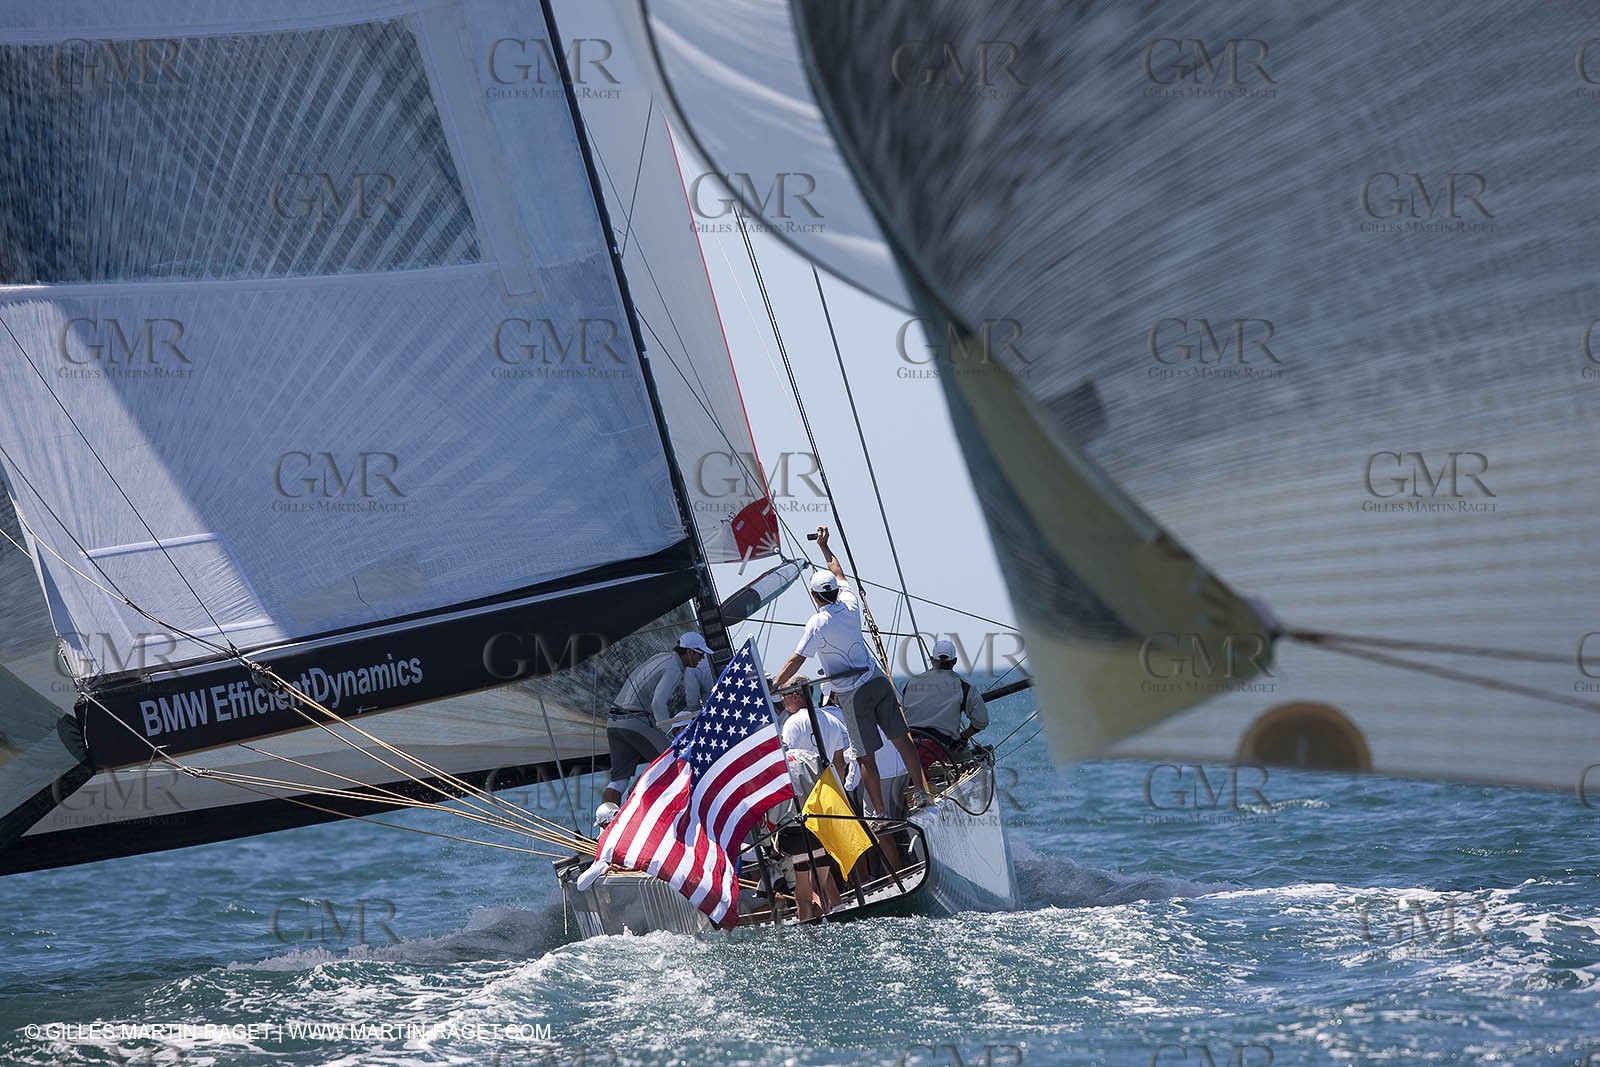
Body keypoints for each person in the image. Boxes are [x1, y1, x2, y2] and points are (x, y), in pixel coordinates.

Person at [771, 526, 933, 817]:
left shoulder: (818, 622)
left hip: (852, 694)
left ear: (814, 596)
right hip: (876, 680)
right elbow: (839, 571)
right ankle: (923, 793)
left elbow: (796, 660)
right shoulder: (849, 602)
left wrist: (774, 685)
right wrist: (824, 546)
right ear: (832, 590)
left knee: (864, 757)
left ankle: (880, 813)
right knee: (901, 740)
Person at [599, 632, 712, 819]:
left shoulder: (661, 657)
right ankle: (642, 806)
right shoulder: (675, 669)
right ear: (691, 652)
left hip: (614, 722)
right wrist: (670, 735)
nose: (702, 659)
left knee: (618, 782)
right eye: (700, 655)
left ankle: (606, 827)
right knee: (674, 761)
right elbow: (657, 704)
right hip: (634, 720)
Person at [771, 674, 845, 920]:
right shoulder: (832, 719)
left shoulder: (792, 724)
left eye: (783, 696)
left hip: (801, 806)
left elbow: (790, 768)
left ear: (795, 695)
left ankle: (811, 921)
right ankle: (838, 910)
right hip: (830, 800)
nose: (782, 702)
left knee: (806, 881)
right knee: (824, 868)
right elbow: (839, 763)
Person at [901, 638, 989, 756]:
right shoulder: (964, 686)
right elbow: (981, 721)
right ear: (954, 661)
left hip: (909, 747)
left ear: (932, 660)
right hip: (940, 749)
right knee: (972, 757)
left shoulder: (911, 683)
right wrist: (963, 737)